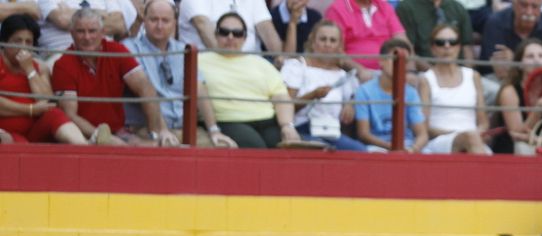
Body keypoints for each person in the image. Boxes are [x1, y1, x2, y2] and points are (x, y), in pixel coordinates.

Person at [51, 7, 175, 146]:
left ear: (102, 33)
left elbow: (145, 88)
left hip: (118, 131)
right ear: (72, 34)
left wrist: (157, 132)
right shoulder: (63, 64)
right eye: (80, 31)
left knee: (154, 145)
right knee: (134, 148)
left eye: (92, 31)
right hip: (83, 136)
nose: (87, 37)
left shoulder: (116, 51)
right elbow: (70, 115)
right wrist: (102, 136)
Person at [123, 1, 235, 148]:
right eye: (154, 19)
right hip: (148, 129)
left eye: (165, 20)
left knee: (226, 147)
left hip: (187, 129)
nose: (159, 26)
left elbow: (199, 89)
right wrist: (161, 130)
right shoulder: (130, 48)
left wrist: (214, 131)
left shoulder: (184, 50)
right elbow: (146, 91)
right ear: (144, 20)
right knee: (169, 149)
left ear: (175, 22)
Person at [197, 12, 300, 148]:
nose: (230, 37)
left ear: (245, 37)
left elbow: (281, 96)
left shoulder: (261, 62)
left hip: (268, 120)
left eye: (237, 33)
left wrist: (287, 126)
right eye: (224, 32)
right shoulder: (199, 60)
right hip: (228, 120)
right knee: (256, 148)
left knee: (289, 150)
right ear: (216, 35)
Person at [0, 14, 87, 145]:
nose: (23, 47)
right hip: (7, 132)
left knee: (55, 115)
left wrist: (30, 70)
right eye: (17, 41)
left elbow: (47, 102)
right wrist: (31, 109)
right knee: (17, 144)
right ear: (5, 42)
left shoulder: (38, 67)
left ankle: (84, 148)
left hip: (35, 129)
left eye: (28, 42)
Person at [283, 21, 365, 151]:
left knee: (360, 151)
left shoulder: (343, 76)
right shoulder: (297, 66)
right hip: (302, 129)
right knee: (323, 149)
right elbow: (285, 106)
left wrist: (350, 105)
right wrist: (312, 95)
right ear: (313, 42)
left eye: (333, 41)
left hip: (332, 131)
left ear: (339, 46)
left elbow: (353, 100)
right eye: (323, 39)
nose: (327, 44)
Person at [421, 22, 493, 154]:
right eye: (440, 42)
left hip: (474, 138)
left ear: (459, 47)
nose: (447, 46)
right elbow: (424, 127)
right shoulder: (426, 79)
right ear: (433, 48)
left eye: (452, 42)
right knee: (470, 140)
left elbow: (483, 121)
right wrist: (459, 134)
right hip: (440, 141)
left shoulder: (473, 76)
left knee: (473, 141)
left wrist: (477, 133)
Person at [353, 37, 429, 150]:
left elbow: (422, 134)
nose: (400, 64)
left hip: (408, 146)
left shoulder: (411, 93)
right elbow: (364, 134)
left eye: (405, 61)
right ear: (381, 61)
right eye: (395, 59)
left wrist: (413, 149)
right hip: (377, 147)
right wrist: (393, 148)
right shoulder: (364, 91)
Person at [492, 37, 542, 154]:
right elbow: (516, 134)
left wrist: (536, 140)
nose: (537, 60)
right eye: (530, 56)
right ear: (520, 64)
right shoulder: (509, 91)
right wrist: (537, 112)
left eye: (541, 56)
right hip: (511, 150)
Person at [480, 0, 542, 80]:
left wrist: (515, 60)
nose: (529, 12)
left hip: (540, 78)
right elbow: (501, 73)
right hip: (496, 79)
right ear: (514, 4)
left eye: (535, 6)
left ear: (541, 5)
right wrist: (535, 64)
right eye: (523, 5)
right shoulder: (495, 22)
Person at [323, 0, 406, 70]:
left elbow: (401, 39)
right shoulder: (337, 9)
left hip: (390, 70)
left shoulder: (383, 6)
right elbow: (335, 50)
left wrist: (407, 67)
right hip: (353, 73)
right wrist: (360, 71)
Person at [38, 0, 135, 57]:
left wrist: (74, 14)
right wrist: (102, 13)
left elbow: (118, 24)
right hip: (61, 53)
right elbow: (62, 19)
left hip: (104, 55)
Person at [398, 0, 472, 57]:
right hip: (423, 71)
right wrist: (433, 74)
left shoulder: (457, 8)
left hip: (458, 70)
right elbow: (409, 50)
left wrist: (469, 73)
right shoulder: (406, 8)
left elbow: (467, 47)